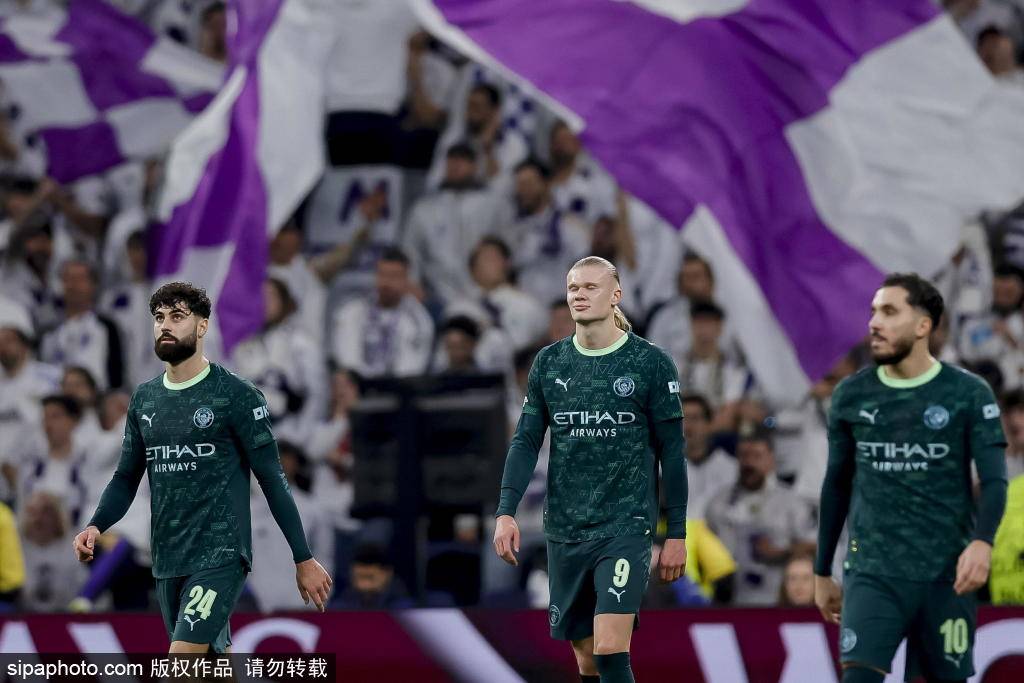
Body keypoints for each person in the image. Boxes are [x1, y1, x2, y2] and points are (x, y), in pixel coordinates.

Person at [73, 282, 332, 655]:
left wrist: (303, 557)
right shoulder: (145, 398)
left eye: (177, 316)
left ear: (202, 326)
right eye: (159, 317)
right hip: (167, 555)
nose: (165, 325)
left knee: (182, 662)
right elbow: (126, 477)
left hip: (219, 553)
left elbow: (273, 480)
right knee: (210, 665)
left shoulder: (237, 395)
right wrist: (97, 525)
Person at [492, 256, 687, 683]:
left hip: (625, 525)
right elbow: (525, 441)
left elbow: (672, 452)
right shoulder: (550, 363)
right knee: (586, 658)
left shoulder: (649, 363)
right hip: (565, 528)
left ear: (616, 295)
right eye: (573, 288)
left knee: (610, 647)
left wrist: (676, 533)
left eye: (590, 287)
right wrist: (506, 511)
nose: (579, 295)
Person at [815, 273, 1008, 683]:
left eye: (889, 312)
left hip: (946, 575)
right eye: (873, 312)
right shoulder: (852, 395)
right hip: (872, 571)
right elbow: (836, 485)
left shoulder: (968, 393)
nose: (874, 323)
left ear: (923, 326)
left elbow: (994, 481)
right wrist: (821, 570)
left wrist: (982, 543)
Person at [705, 428, 816, 606]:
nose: (749, 463)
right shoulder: (718, 504)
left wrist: (781, 552)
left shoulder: (791, 503)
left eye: (757, 456)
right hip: (729, 600)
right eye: (744, 456)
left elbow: (814, 545)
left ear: (771, 460)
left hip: (780, 599)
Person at [330, 247, 434, 378]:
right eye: (382, 274)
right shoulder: (352, 312)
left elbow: (411, 369)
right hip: (358, 386)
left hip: (399, 387)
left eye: (394, 276)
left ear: (406, 280)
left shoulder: (419, 320)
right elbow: (348, 361)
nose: (386, 282)